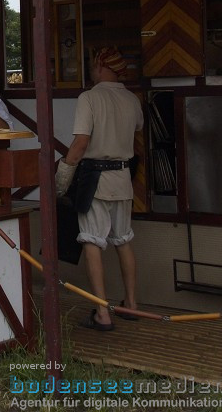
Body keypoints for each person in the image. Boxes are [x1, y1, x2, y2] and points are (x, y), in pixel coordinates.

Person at [55, 46, 143, 331]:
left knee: (93, 241)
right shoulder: (131, 99)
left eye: (93, 63)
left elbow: (80, 143)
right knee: (123, 239)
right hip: (122, 179)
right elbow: (136, 130)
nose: (91, 68)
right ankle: (131, 304)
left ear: (102, 65)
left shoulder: (89, 97)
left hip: (95, 180)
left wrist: (63, 176)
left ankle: (102, 313)